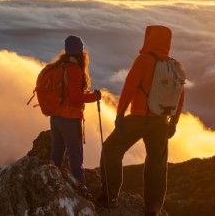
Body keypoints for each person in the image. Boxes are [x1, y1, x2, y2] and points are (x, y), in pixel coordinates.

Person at [99, 25, 185, 215]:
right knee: (157, 165)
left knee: (111, 149)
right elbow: (179, 97)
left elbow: (129, 88)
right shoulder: (174, 66)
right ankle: (152, 209)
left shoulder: (144, 60)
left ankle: (110, 196)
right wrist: (174, 123)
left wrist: (120, 114)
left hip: (139, 117)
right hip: (162, 122)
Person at [49, 35, 101, 198]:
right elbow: (75, 97)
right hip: (70, 119)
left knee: (56, 154)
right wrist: (94, 97)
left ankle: (51, 185)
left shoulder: (60, 66)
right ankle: (80, 190)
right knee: (75, 157)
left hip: (55, 117)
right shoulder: (74, 69)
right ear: (81, 51)